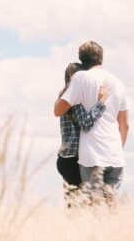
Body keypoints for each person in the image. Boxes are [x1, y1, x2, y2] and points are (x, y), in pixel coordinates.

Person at [54, 41, 130, 205]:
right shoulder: (118, 82)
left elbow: (59, 111)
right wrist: (117, 147)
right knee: (111, 204)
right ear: (102, 57)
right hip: (115, 155)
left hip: (92, 156)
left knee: (91, 207)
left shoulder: (80, 79)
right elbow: (125, 125)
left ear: (82, 60)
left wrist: (100, 103)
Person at [56, 62, 110, 207]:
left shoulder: (65, 97)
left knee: (73, 206)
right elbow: (86, 123)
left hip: (66, 158)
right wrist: (101, 102)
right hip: (74, 159)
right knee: (84, 206)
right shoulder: (75, 99)